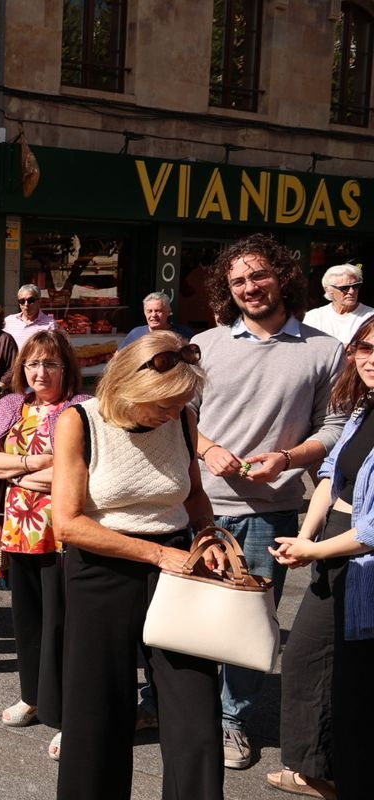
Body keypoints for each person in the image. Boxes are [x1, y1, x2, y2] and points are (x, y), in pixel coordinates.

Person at [191, 233, 346, 770]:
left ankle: (231, 720)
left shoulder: (324, 350)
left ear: (282, 276)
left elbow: (334, 427)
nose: (249, 287)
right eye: (238, 280)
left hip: (270, 509)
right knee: (186, 613)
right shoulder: (206, 345)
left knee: (251, 622)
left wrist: (287, 457)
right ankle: (175, 705)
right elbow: (179, 414)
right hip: (198, 503)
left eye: (258, 275)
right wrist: (207, 449)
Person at [51, 330, 222, 800]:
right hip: (101, 569)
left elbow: (195, 494)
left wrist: (208, 534)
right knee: (97, 714)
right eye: (163, 403)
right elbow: (67, 524)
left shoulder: (183, 419)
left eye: (180, 402)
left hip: (177, 565)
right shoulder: (79, 422)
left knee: (196, 715)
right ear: (129, 386)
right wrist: (158, 554)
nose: (173, 412)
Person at [0, 330, 89, 757]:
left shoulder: (81, 408)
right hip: (17, 531)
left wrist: (17, 474)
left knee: (63, 626)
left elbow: (77, 471)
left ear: (66, 367)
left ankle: (68, 715)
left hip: (62, 535)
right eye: (33, 364)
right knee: (27, 621)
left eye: (50, 363)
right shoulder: (12, 406)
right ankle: (32, 696)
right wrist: (32, 464)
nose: (40, 372)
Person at [267, 319, 374, 800]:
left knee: (355, 676)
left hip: (361, 552)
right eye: (364, 348)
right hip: (332, 538)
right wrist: (305, 536)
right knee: (308, 656)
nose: (370, 359)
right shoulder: (362, 408)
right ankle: (316, 770)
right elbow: (330, 475)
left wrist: (314, 549)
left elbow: (372, 530)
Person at [302, 262, 374, 344]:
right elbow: (309, 347)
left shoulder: (371, 317)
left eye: (356, 286)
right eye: (344, 288)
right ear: (328, 290)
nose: (352, 291)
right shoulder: (314, 317)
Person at [119, 292, 196, 349]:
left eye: (158, 311)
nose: (153, 315)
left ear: (168, 312)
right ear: (144, 313)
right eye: (149, 311)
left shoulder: (183, 332)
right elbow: (118, 358)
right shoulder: (136, 334)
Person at [3, 284, 57, 349]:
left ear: (39, 301)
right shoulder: (9, 321)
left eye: (31, 300)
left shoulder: (50, 324)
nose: (26, 304)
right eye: (22, 301)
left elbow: (52, 349)